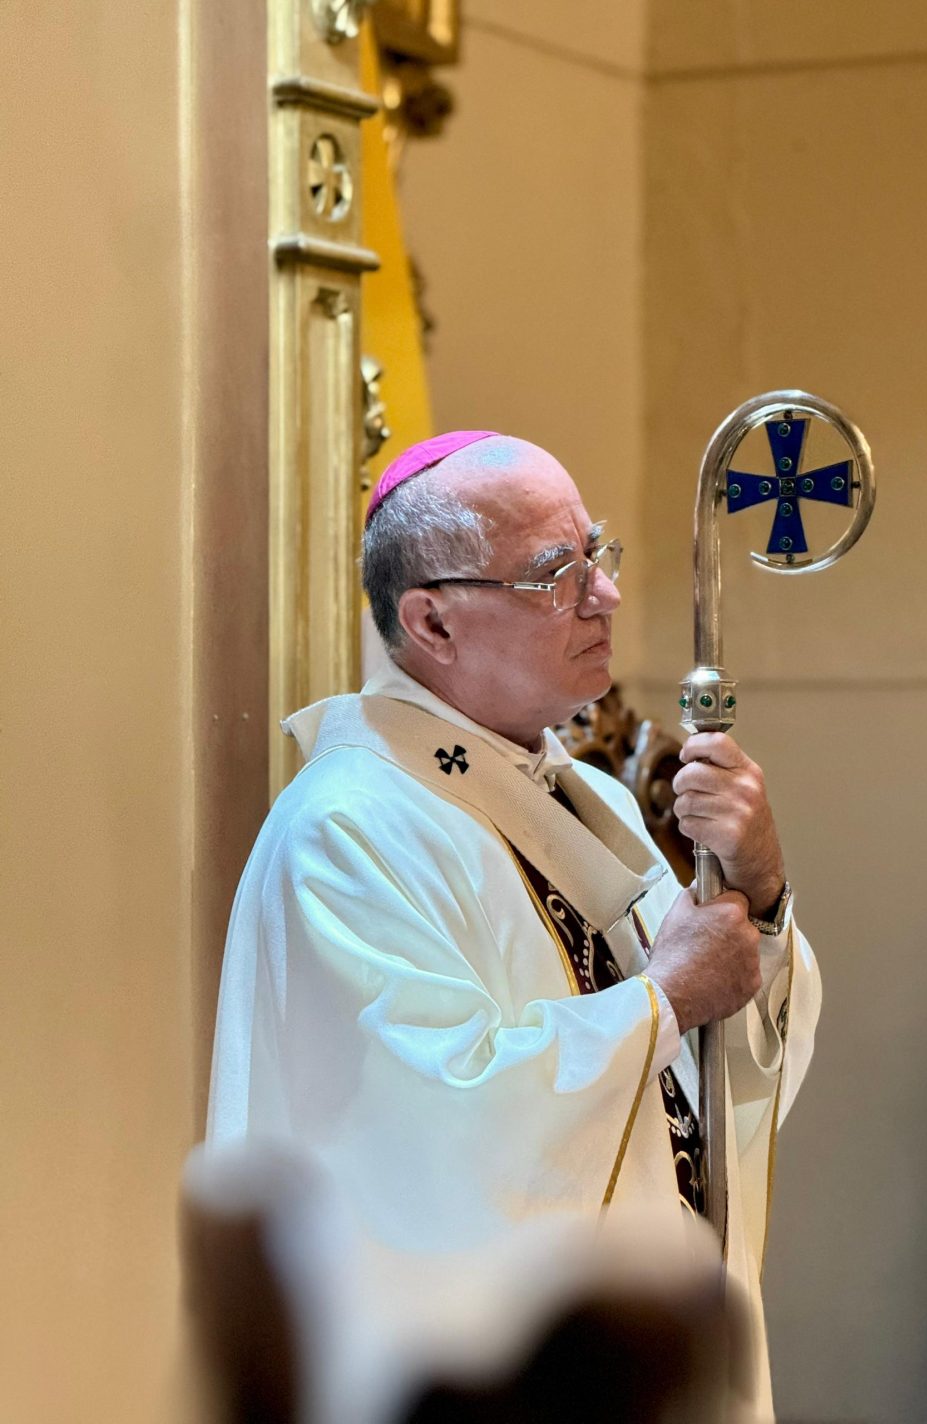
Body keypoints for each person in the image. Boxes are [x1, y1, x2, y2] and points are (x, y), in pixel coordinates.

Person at [207, 431, 821, 1421]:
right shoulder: (349, 829)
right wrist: (662, 999)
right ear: (433, 622)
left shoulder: (583, 798)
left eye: (598, 554)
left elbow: (719, 1073)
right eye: (554, 571)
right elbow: (430, 1133)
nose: (604, 596)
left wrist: (762, 885)